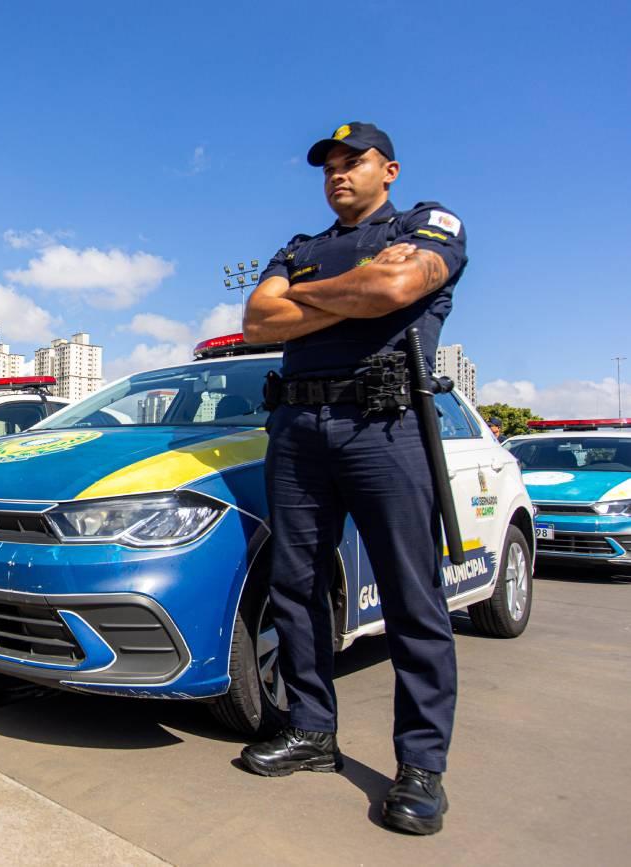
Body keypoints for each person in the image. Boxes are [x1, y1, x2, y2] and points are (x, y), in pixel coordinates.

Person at [240, 122, 468, 835]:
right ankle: (312, 731)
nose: (338, 174)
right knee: (297, 587)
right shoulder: (298, 247)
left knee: (411, 596)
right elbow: (256, 320)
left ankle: (421, 766)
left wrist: (309, 299)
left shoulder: (428, 224)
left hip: (386, 427)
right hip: (299, 431)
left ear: (389, 169)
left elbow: (398, 285)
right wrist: (358, 287)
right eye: (328, 166)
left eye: (353, 162)